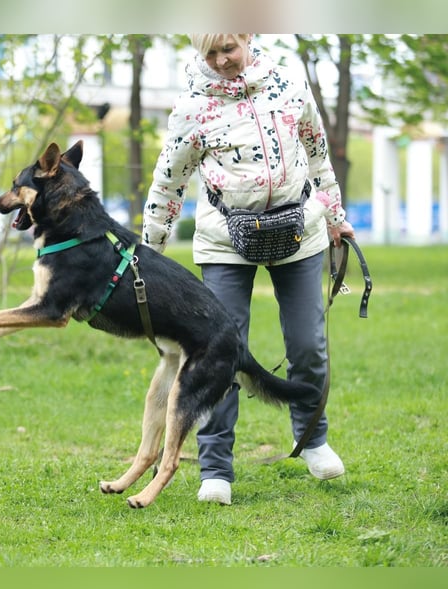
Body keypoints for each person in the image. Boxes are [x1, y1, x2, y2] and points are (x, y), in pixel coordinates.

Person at [141, 34, 355, 505]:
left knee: (308, 343)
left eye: (229, 49)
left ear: (247, 38)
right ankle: (216, 468)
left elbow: (317, 154)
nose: (221, 61)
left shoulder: (289, 86)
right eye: (210, 53)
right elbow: (168, 181)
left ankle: (312, 438)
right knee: (217, 353)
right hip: (225, 241)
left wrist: (336, 217)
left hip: (299, 231)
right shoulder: (192, 107)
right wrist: (149, 251)